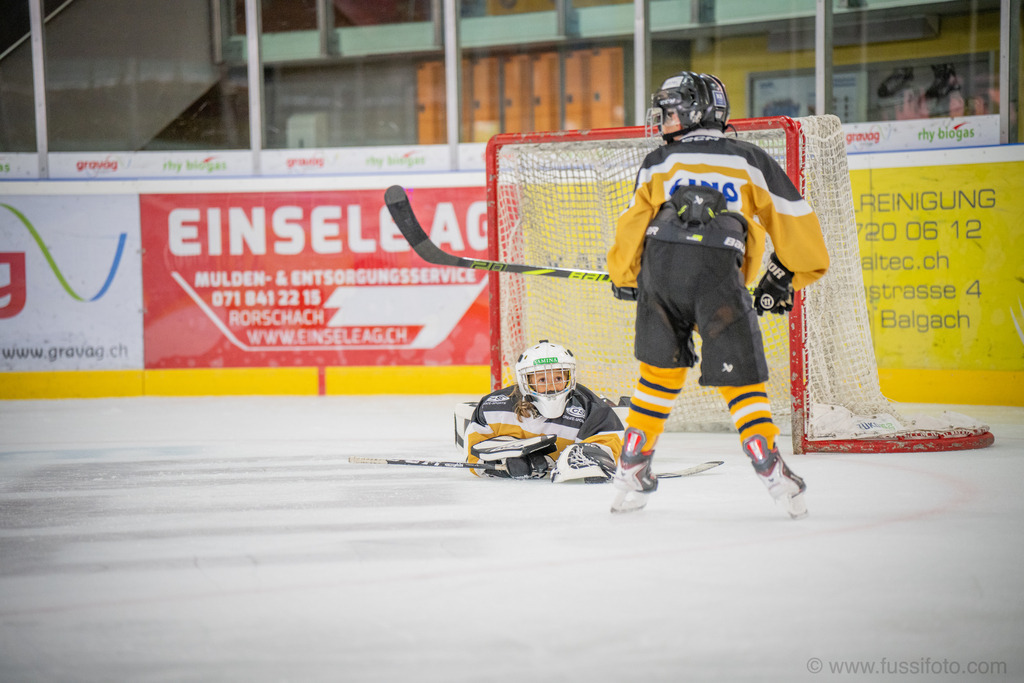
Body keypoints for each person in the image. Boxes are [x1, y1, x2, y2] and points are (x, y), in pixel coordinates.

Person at [606, 71, 830, 515]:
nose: (663, 120)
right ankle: (769, 466)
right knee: (741, 381)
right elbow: (795, 224)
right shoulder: (749, 159)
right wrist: (784, 276)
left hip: (661, 272)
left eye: (669, 111)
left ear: (692, 111)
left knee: (658, 375)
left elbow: (633, 223)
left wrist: (626, 277)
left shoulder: (658, 161)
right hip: (718, 277)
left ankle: (632, 463)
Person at [464, 340, 624, 483]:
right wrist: (503, 465)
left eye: (559, 379)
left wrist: (594, 460)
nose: (551, 387)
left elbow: (610, 445)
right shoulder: (494, 407)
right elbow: (474, 453)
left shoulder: (590, 408)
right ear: (525, 381)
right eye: (542, 380)